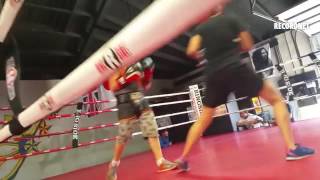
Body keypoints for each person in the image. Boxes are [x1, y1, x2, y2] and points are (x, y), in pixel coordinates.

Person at [175, 8, 315, 170]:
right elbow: (248, 45)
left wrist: (202, 57)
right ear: (217, 7)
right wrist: (233, 45)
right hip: (234, 68)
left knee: (204, 118)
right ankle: (292, 148)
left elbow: (191, 50)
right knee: (276, 100)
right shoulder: (231, 19)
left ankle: (183, 158)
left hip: (213, 75)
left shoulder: (201, 28)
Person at [103, 57, 176, 180]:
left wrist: (148, 73)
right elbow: (113, 86)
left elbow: (145, 85)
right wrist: (125, 78)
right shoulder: (114, 67)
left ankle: (161, 162)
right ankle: (114, 165)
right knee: (124, 136)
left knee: (152, 130)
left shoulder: (136, 63)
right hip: (125, 102)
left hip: (140, 99)